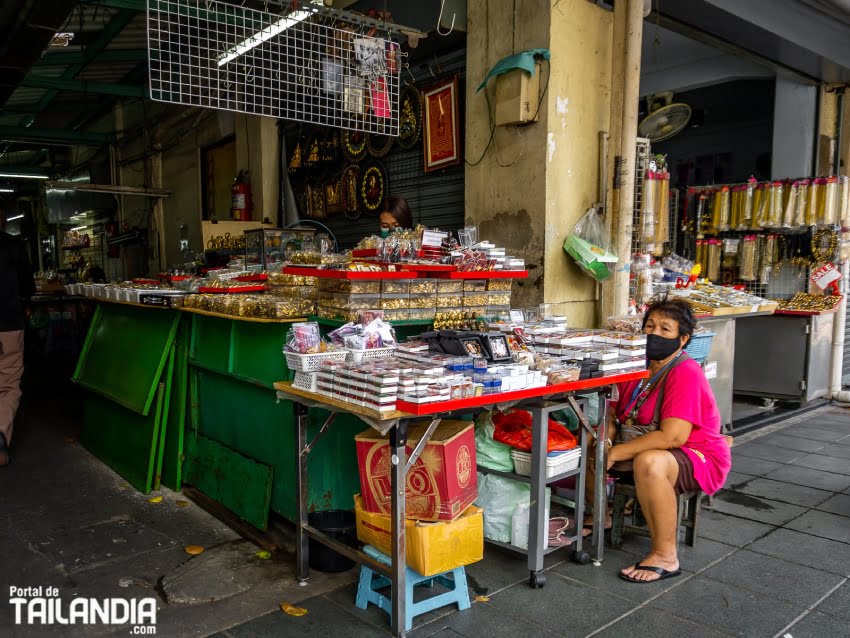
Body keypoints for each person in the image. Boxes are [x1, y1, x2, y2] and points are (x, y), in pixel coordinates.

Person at [587, 296, 731, 583]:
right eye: (650, 326)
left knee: (650, 462)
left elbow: (673, 436)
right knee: (591, 443)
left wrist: (618, 452)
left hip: (695, 454)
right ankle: (600, 515)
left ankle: (666, 555)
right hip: (639, 439)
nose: (654, 333)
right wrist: (606, 440)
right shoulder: (636, 366)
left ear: (682, 339)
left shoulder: (685, 372)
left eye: (666, 329)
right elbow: (613, 415)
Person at [0, 211, 35, 466]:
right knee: (9, 382)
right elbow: (28, 287)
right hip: (9, 324)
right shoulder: (13, 246)